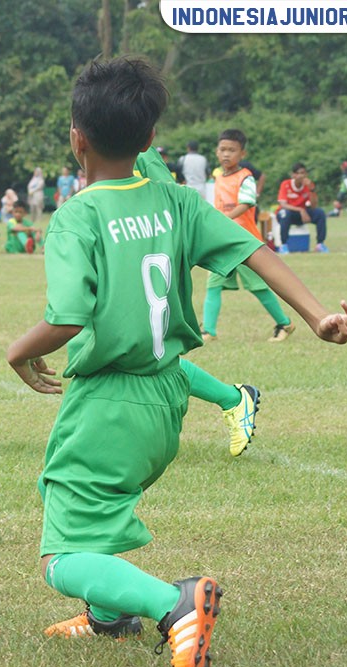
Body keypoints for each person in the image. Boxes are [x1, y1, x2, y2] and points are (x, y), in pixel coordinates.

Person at [6, 56, 347, 667]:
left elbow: (67, 316)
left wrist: (17, 352)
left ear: (75, 137)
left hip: (109, 398)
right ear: (148, 142)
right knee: (98, 505)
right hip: (167, 396)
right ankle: (110, 619)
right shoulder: (172, 201)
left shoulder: (78, 216)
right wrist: (315, 316)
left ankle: (175, 605)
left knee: (62, 558)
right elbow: (252, 249)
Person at [134, 146, 261, 456]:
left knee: (146, 353)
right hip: (126, 261)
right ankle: (230, 399)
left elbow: (171, 206)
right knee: (138, 353)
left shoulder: (139, 149)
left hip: (148, 263)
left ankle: (229, 399)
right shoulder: (96, 138)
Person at [203, 130, 296, 344]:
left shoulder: (246, 177)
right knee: (213, 284)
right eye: (222, 149)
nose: (226, 154)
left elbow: (246, 204)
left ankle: (284, 323)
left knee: (258, 287)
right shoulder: (217, 176)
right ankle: (208, 331)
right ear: (217, 152)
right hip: (222, 241)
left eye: (232, 150)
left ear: (242, 153)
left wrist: (224, 218)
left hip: (244, 242)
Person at [277, 162, 329, 253]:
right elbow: (283, 204)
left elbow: (313, 206)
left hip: (303, 214)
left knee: (320, 213)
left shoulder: (308, 186)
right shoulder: (286, 184)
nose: (301, 176)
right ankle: (283, 245)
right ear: (293, 175)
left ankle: (320, 244)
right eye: (299, 173)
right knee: (285, 213)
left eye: (303, 173)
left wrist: (311, 190)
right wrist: (300, 210)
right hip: (288, 213)